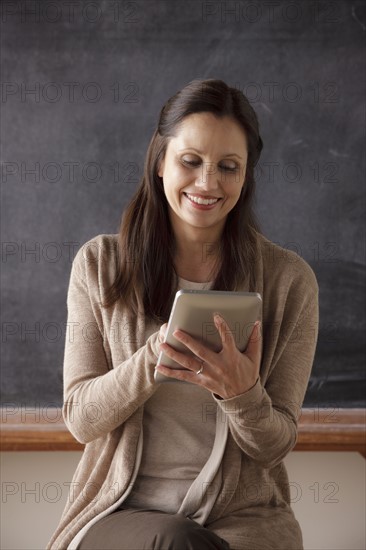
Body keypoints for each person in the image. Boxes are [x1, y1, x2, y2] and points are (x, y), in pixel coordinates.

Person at [47, 79, 319, 550]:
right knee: (179, 543)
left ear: (246, 176)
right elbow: (81, 419)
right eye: (190, 161)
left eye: (228, 167)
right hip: (122, 511)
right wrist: (153, 358)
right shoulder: (99, 265)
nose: (208, 183)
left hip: (245, 519)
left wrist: (242, 394)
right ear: (159, 163)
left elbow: (275, 445)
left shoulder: (289, 282)